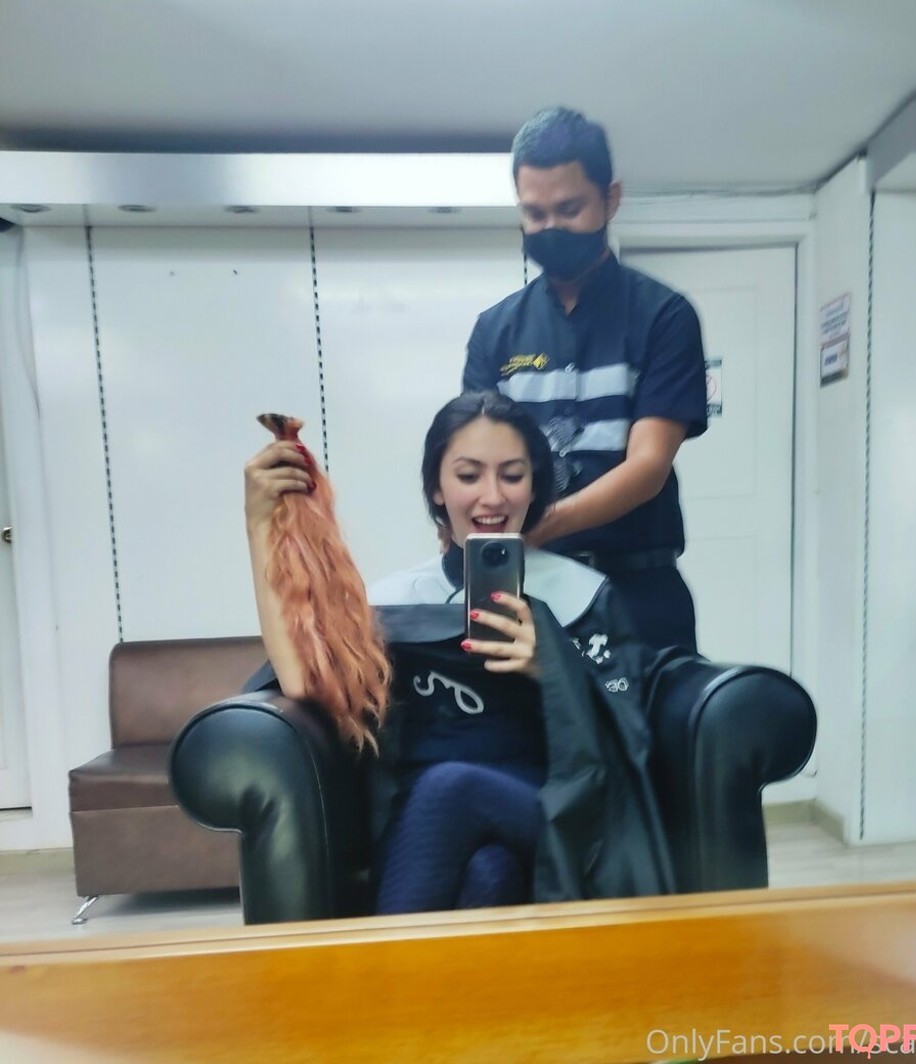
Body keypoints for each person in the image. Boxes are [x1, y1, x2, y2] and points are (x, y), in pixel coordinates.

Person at [243, 391, 675, 915]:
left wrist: (555, 668)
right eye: (469, 476)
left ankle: (379, 964)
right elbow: (306, 684)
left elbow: (629, 735)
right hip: (423, 821)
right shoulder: (396, 599)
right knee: (488, 874)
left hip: (550, 808)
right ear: (437, 488)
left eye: (512, 475)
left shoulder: (582, 594)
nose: (492, 497)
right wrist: (259, 524)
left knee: (452, 787)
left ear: (535, 484)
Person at [463, 106, 708, 653]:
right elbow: (476, 460)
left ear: (610, 199)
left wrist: (541, 524)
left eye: (569, 209)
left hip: (637, 592)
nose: (550, 227)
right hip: (526, 589)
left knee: (650, 713)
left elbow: (646, 468)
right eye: (534, 213)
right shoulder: (495, 331)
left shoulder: (664, 316)